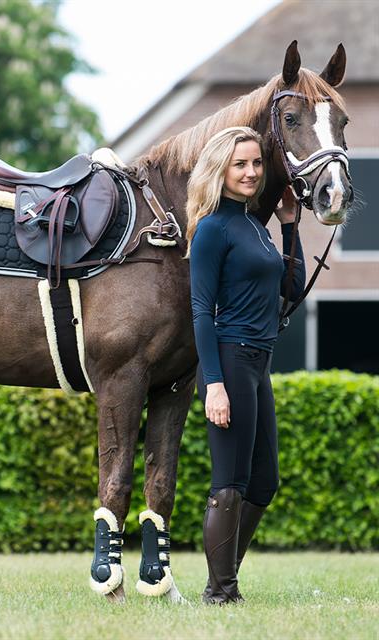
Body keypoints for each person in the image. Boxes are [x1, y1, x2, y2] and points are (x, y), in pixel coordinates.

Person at [187, 126, 306, 605]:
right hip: (230, 362)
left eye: (256, 163)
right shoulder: (214, 227)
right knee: (229, 483)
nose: (252, 172)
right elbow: (200, 309)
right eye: (241, 164)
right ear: (222, 168)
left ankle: (222, 578)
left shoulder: (256, 226)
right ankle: (221, 594)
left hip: (259, 363)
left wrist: (291, 224)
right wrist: (214, 384)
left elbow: (291, 288)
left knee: (265, 481)